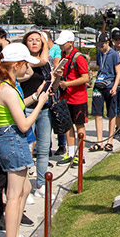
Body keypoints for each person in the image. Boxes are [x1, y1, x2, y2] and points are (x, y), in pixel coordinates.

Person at [0, 42, 51, 237]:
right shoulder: (7, 89)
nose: (28, 69)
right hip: (12, 139)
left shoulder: (3, 85)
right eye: (25, 64)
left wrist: (36, 97)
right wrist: (40, 104)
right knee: (14, 195)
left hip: (9, 139)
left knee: (24, 188)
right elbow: (23, 124)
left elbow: (18, 108)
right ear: (16, 65)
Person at [20, 31, 52, 197]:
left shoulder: (45, 64)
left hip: (44, 108)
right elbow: (42, 60)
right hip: (28, 107)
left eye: (38, 40)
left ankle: (41, 184)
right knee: (26, 150)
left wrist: (55, 80)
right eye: (31, 40)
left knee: (44, 148)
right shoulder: (24, 62)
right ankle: (23, 187)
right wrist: (45, 44)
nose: (34, 43)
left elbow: (49, 78)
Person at [54, 31, 89, 166]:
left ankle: (80, 154)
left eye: (63, 43)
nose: (61, 46)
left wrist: (67, 84)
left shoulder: (78, 57)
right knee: (68, 125)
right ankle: (70, 152)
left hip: (78, 97)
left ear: (70, 43)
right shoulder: (63, 56)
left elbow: (85, 78)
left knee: (79, 125)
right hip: (66, 97)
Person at [88, 35, 120, 152]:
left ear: (107, 42)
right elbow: (99, 68)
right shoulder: (99, 55)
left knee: (111, 114)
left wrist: (115, 87)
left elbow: (118, 72)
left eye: (102, 45)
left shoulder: (114, 54)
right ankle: (99, 141)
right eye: (99, 46)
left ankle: (110, 141)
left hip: (110, 85)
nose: (100, 48)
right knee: (98, 113)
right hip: (99, 84)